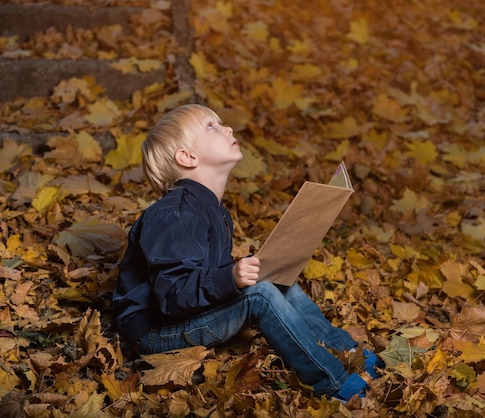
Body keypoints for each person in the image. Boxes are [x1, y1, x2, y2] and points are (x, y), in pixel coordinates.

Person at [111, 104, 384, 401]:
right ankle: (332, 383)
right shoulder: (176, 214)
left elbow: (202, 274)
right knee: (261, 295)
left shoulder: (210, 209)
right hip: (155, 332)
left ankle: (347, 351)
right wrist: (229, 277)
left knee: (277, 280)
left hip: (186, 315)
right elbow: (172, 295)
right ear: (187, 157)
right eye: (211, 127)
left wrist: (247, 271)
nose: (228, 129)